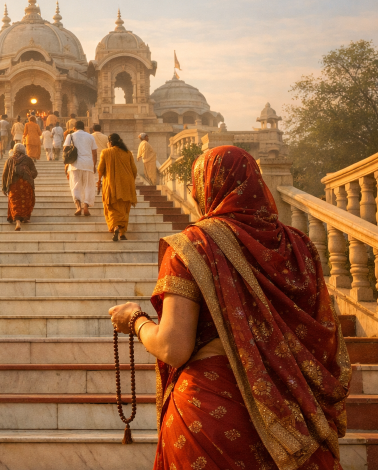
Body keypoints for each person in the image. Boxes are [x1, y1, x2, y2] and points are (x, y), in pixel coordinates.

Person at [109, 146, 350, 470]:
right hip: (293, 411)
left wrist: (135, 319)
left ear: (207, 189)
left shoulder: (195, 245)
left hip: (211, 413)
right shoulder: (300, 245)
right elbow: (324, 336)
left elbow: (173, 347)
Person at [96, 133, 137, 241]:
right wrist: (130, 181)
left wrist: (99, 180)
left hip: (112, 184)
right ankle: (122, 233)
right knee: (124, 209)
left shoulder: (105, 152)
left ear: (109, 143)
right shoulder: (128, 153)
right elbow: (134, 170)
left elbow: (100, 169)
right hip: (126, 184)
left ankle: (116, 227)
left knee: (112, 207)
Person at [63, 120, 97, 216]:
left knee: (75, 186)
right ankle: (86, 206)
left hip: (74, 164)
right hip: (88, 164)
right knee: (88, 186)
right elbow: (94, 153)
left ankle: (78, 207)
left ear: (74, 128)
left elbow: (65, 151)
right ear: (84, 128)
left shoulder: (70, 136)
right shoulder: (90, 136)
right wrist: (94, 165)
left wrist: (66, 165)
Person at [2, 143, 39, 232]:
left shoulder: (10, 160)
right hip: (26, 185)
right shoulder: (28, 160)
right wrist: (29, 175)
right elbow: (35, 172)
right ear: (23, 150)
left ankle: (18, 221)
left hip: (14, 185)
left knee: (15, 203)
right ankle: (26, 218)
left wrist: (4, 187)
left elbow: (5, 175)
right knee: (26, 201)